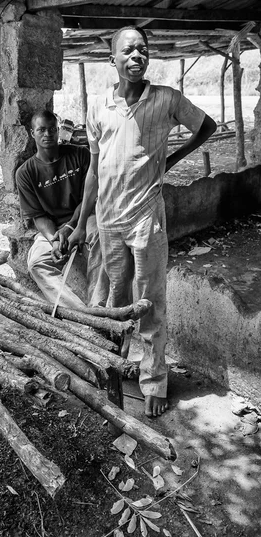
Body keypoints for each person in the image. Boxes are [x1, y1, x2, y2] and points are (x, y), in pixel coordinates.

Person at [68, 26, 217, 418]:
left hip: (146, 217)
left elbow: (207, 126)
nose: (137, 56)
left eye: (143, 50)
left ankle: (154, 381)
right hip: (108, 220)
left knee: (150, 301)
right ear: (112, 60)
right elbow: (94, 170)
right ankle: (109, 366)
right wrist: (83, 222)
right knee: (113, 301)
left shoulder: (166, 99)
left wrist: (170, 160)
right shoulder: (99, 106)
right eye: (128, 51)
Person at [16, 110, 108, 308]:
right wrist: (55, 240)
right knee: (36, 262)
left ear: (58, 131)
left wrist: (72, 226)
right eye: (41, 130)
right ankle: (80, 313)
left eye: (51, 129)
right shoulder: (25, 173)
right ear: (32, 133)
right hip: (54, 229)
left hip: (85, 218)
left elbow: (89, 198)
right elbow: (38, 217)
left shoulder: (80, 154)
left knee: (103, 237)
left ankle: (98, 305)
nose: (47, 134)